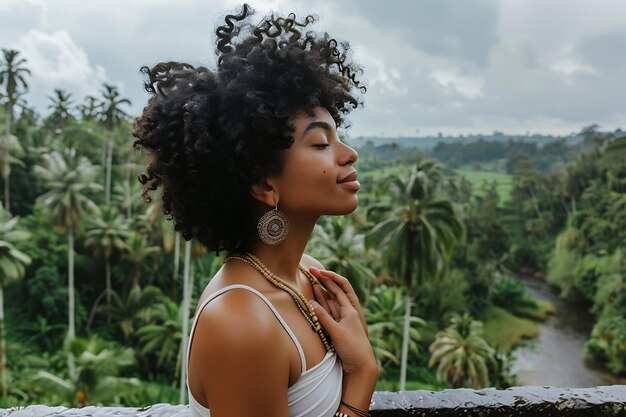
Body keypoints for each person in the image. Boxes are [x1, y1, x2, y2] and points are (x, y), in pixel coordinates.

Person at [131, 4, 377, 417]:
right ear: (264, 184)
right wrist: (362, 377)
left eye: (339, 137)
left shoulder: (308, 276)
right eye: (320, 143)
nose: (348, 154)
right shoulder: (241, 322)